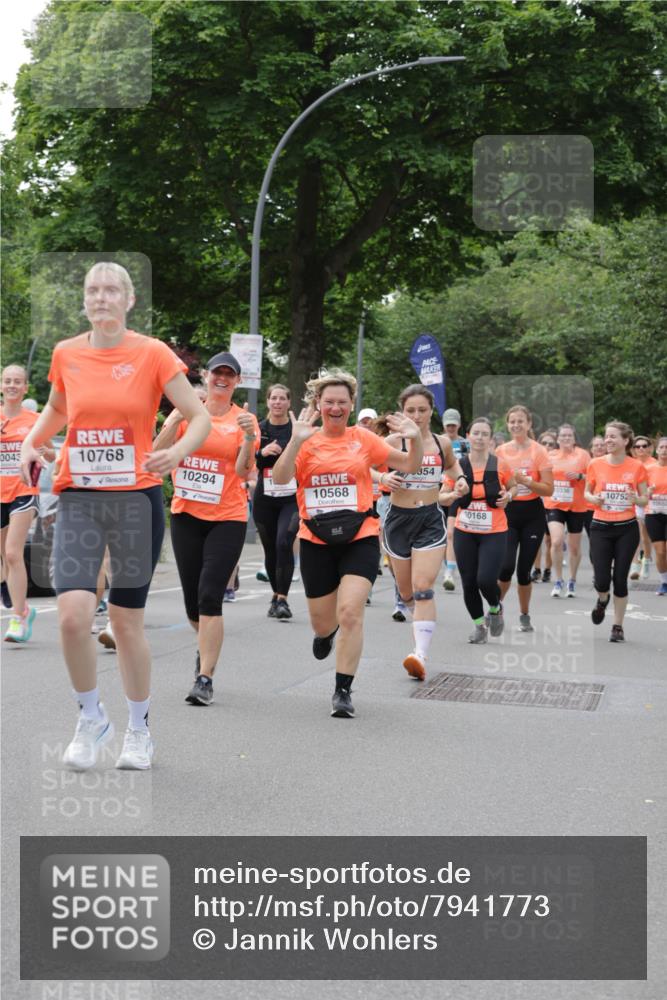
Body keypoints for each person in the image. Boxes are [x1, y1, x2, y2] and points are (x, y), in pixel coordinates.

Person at [20, 261, 210, 769]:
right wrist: (31, 442)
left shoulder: (151, 353)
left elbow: (198, 416)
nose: (101, 298)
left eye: (111, 291)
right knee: (71, 617)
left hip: (134, 500)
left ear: (128, 301)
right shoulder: (66, 353)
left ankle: (140, 728)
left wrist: (177, 453)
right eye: (92, 291)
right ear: (85, 300)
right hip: (80, 496)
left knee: (126, 622)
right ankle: (90, 717)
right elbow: (59, 409)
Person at [271, 371, 423, 718]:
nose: (336, 408)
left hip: (360, 535)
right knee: (323, 623)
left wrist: (414, 439)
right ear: (318, 405)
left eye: (342, 402)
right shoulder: (305, 440)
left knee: (351, 612)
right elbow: (279, 479)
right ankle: (325, 635)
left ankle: (342, 689)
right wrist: (295, 441)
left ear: (351, 405)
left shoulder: (363, 439)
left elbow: (408, 465)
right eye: (329, 402)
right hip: (315, 539)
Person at [154, 351, 259, 705]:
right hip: (186, 515)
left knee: (210, 595)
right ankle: (206, 648)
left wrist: (247, 439)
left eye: (230, 375)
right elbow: (155, 457)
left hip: (227, 517)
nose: (223, 379)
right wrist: (174, 420)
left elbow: (245, 472)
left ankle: (205, 677)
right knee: (192, 605)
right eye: (218, 373)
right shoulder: (187, 415)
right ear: (206, 375)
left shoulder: (245, 419)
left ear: (236, 381)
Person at [382, 386, 467, 680]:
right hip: (398, 521)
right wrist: (382, 476)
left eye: (422, 410)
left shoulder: (442, 443)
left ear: (432, 411)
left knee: (423, 588)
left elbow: (454, 467)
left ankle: (419, 654)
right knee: (406, 593)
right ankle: (416, 620)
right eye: (410, 411)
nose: (416, 416)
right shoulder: (393, 441)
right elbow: (362, 467)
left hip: (430, 518)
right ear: (402, 412)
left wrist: (461, 481)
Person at [440, 417, 516, 643]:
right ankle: (479, 626)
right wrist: (453, 495)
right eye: (476, 433)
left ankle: (495, 607)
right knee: (469, 582)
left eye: (485, 434)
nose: (480, 438)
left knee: (485, 579)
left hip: (494, 531)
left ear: (491, 439)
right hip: (466, 531)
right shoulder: (458, 465)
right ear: (468, 436)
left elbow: (514, 486)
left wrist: (509, 496)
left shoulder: (500, 464)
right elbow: (441, 496)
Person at [1, 364, 55, 642]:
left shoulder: (35, 419)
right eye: (7, 380)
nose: (12, 385)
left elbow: (51, 455)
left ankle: (17, 617)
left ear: (25, 388)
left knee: (13, 553)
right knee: (4, 558)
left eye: (17, 381)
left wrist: (44, 451)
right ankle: (22, 608)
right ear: (1, 386)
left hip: (24, 491)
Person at [585, 421, 649, 641]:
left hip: (626, 529)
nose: (608, 440)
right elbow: (587, 493)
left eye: (613, 436)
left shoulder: (636, 467)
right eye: (606, 436)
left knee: (620, 579)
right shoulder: (595, 464)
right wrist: (593, 499)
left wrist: (635, 499)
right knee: (602, 580)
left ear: (625, 441)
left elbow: (644, 498)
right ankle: (602, 600)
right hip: (600, 527)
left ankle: (617, 627)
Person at [496, 405, 554, 631]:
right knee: (505, 567)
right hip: (508, 513)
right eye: (512, 421)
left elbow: (548, 490)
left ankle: (524, 615)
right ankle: (496, 609)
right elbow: (496, 481)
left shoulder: (539, 451)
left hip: (532, 514)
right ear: (507, 424)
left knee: (523, 572)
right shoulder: (501, 451)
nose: (516, 425)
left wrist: (528, 482)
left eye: (521, 421)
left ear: (529, 424)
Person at [253, 383, 299, 621]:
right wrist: (262, 453)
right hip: (265, 498)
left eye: (283, 398)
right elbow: (249, 463)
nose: (278, 402)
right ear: (268, 401)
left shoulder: (295, 430)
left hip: (291, 498)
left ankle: (282, 599)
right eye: (274, 398)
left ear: (289, 402)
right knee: (271, 549)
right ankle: (275, 595)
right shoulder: (259, 429)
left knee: (284, 542)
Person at [543, 423, 590, 598]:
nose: (566, 439)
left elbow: (594, 476)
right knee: (556, 541)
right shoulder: (550, 456)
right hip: (554, 504)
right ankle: (558, 580)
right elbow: (542, 475)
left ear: (574, 438)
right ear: (558, 438)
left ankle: (572, 580)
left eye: (569, 436)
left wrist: (580, 476)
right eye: (562, 436)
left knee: (574, 547)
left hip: (577, 505)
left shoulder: (583, 455)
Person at [441, 407, 468, 591]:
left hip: (457, 489)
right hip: (437, 490)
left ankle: (449, 571)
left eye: (453, 425)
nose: (451, 428)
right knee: (442, 533)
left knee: (451, 532)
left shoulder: (465, 444)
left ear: (458, 425)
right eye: (448, 425)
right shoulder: (439, 442)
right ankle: (448, 563)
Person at [531, 431, 558, 583]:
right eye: (545, 443)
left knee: (550, 540)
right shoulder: (534, 460)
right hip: (538, 503)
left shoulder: (559, 460)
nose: (547, 446)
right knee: (536, 539)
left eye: (551, 444)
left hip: (554, 504)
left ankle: (548, 569)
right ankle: (537, 569)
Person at [629, 435, 657, 580]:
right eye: (637, 446)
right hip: (634, 502)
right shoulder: (631, 464)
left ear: (650, 448)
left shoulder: (655, 464)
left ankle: (646, 560)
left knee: (645, 537)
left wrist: (651, 491)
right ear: (633, 450)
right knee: (635, 534)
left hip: (650, 503)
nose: (641, 449)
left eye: (644, 446)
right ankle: (634, 565)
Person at [646, 436, 667, 595]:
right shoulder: (649, 469)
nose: (665, 450)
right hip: (653, 513)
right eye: (662, 447)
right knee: (660, 551)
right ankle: (664, 582)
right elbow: (641, 492)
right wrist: (648, 492)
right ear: (657, 450)